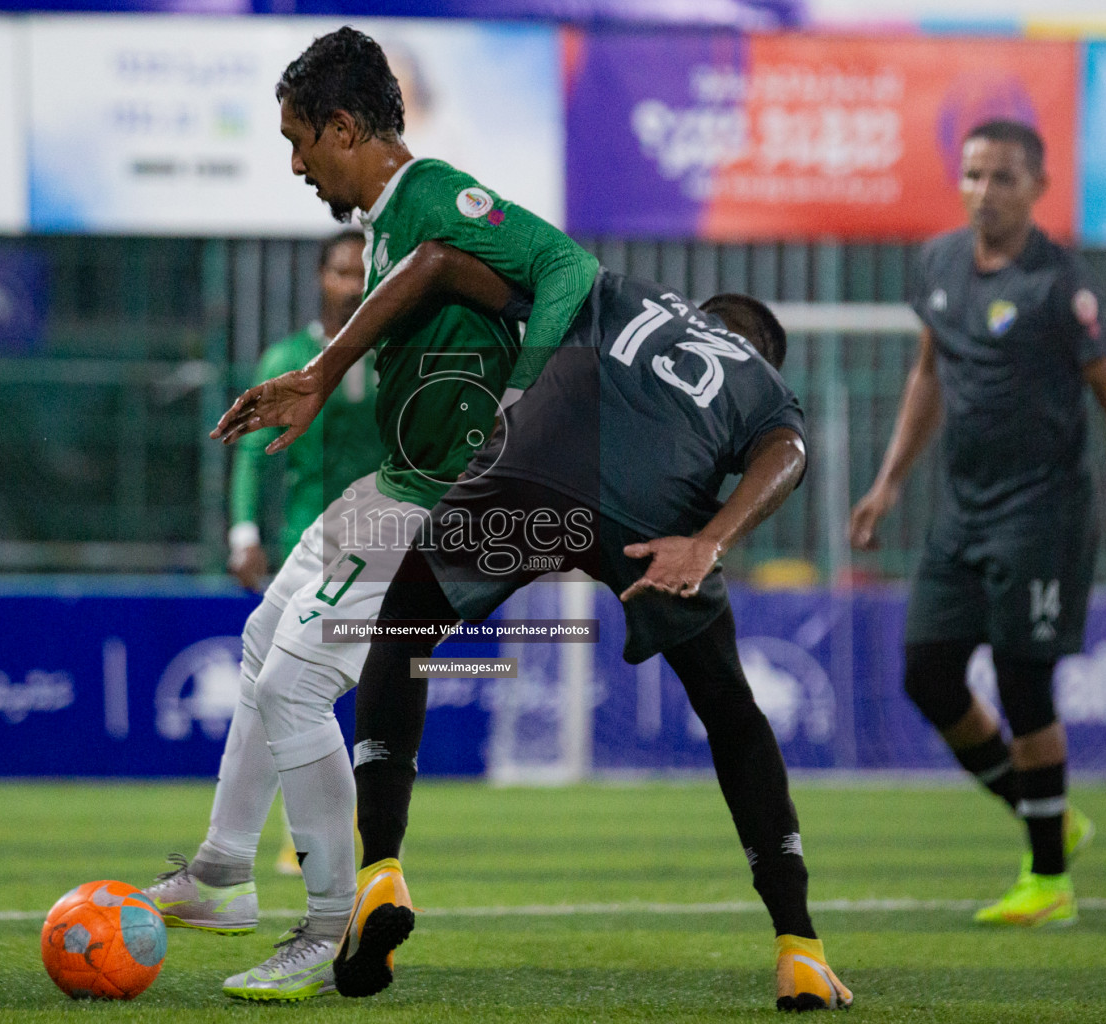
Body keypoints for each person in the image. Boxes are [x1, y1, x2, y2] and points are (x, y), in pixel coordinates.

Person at [221, 245, 854, 1012]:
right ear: (762, 352)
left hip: (542, 462)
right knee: (732, 714)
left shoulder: (630, 294)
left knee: (404, 627)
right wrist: (711, 541)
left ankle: (380, 868)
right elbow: (788, 451)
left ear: (697, 311)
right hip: (656, 510)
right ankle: (801, 949)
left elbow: (468, 277)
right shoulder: (765, 384)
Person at [143, 26, 600, 1002]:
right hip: (391, 486)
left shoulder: (432, 192)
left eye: (298, 140)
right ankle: (224, 872)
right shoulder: (395, 224)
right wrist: (324, 372)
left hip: (435, 509)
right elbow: (446, 287)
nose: (296, 163)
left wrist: (521, 401)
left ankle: (326, 927)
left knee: (297, 689)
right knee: (264, 642)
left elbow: (568, 267)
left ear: (343, 126)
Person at [849, 120, 1106, 927]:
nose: (985, 191)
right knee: (927, 672)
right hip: (962, 512)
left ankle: (1050, 880)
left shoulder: (1063, 286)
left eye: (1005, 178)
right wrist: (887, 484)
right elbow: (928, 373)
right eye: (974, 175)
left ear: (1039, 188)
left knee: (1025, 683)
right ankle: (1047, 812)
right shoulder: (939, 261)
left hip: (1045, 513)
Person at [227, 230, 383, 593]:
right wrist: (244, 536)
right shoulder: (288, 360)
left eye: (363, 275)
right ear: (320, 276)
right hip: (309, 547)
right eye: (342, 274)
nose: (353, 288)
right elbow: (252, 456)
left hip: (388, 546)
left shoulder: (399, 359)